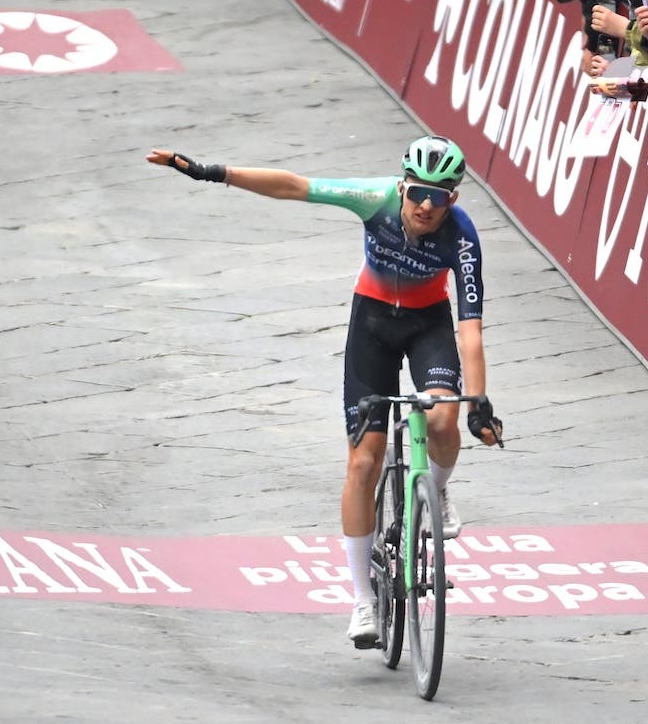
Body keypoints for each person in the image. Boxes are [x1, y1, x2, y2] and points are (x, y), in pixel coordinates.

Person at [147, 136, 503, 650]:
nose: (427, 205)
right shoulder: (373, 198)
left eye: (441, 196)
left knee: (445, 418)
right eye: (419, 192)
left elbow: (470, 329)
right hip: (373, 323)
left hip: (429, 326)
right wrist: (211, 172)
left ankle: (436, 488)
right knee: (363, 463)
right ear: (403, 185)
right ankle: (362, 599)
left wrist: (480, 400)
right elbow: (295, 187)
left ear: (454, 198)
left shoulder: (462, 235)